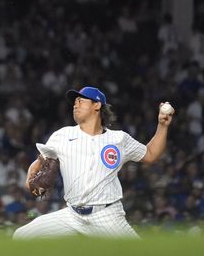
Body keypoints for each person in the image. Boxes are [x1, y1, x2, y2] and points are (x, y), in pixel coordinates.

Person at [13, 86, 174, 239]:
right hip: (72, 215)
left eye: (81, 101)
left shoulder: (119, 139)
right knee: (22, 236)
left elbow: (151, 154)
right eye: (74, 102)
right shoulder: (61, 135)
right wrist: (30, 180)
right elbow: (39, 162)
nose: (75, 105)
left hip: (107, 215)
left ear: (97, 105)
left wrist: (162, 125)